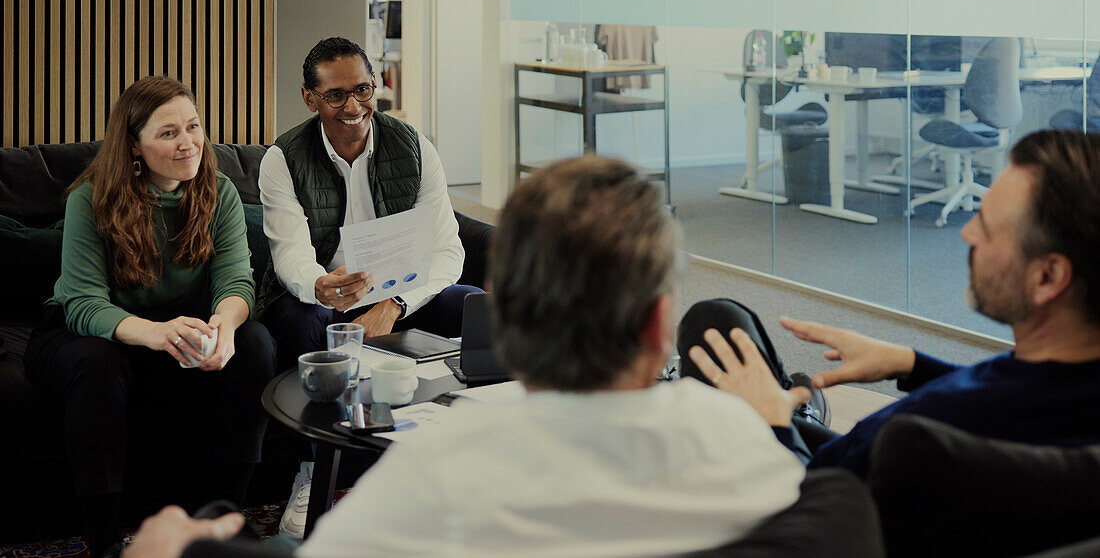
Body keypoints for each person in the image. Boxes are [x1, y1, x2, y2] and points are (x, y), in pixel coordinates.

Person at [124, 155, 809, 558]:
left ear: (503, 318)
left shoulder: (442, 473)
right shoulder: (749, 450)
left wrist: (184, 546)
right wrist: (776, 423)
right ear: (662, 326)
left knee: (207, 517)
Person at [684, 129, 1100, 478]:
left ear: (1048, 277)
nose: (966, 233)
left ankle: (788, 415)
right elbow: (1014, 388)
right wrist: (911, 363)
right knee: (724, 329)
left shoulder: (932, 437)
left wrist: (771, 426)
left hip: (810, 482)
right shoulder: (1069, 386)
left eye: (987, 228)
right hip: (852, 457)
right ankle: (796, 414)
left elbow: (815, 522)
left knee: (713, 324)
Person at [23, 76, 276, 558]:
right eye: (168, 133)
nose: (188, 143)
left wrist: (224, 325)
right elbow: (82, 303)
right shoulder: (91, 198)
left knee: (256, 343)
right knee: (97, 361)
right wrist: (158, 334)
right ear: (134, 146)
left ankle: (222, 521)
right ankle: (105, 540)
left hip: (176, 336)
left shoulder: (217, 191)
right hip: (91, 336)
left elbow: (237, 283)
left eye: (193, 127)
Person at [258, 36, 479, 371]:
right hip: (325, 299)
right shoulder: (283, 159)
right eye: (335, 96)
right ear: (309, 98)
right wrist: (320, 285)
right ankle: (306, 419)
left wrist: (393, 305)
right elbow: (290, 253)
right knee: (298, 317)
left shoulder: (415, 148)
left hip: (401, 295)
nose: (353, 107)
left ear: (375, 85)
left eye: (363, 90)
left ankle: (456, 410)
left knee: (473, 304)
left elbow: (448, 251)